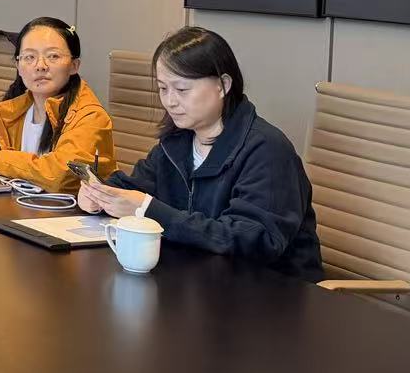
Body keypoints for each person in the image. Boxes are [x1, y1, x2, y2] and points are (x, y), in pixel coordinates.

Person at [77, 26, 322, 279]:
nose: (170, 101)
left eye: (182, 90)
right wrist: (100, 197)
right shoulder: (178, 140)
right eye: (163, 89)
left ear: (223, 85)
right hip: (195, 280)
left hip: (268, 290)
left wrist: (147, 209)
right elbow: (137, 187)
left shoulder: (267, 150)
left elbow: (253, 241)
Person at [0, 17, 115, 191]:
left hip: (69, 210)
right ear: (18, 66)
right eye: (29, 57)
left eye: (53, 56)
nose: (40, 66)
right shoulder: (11, 111)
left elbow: (63, 174)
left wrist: (0, 159)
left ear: (74, 65)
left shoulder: (90, 116)